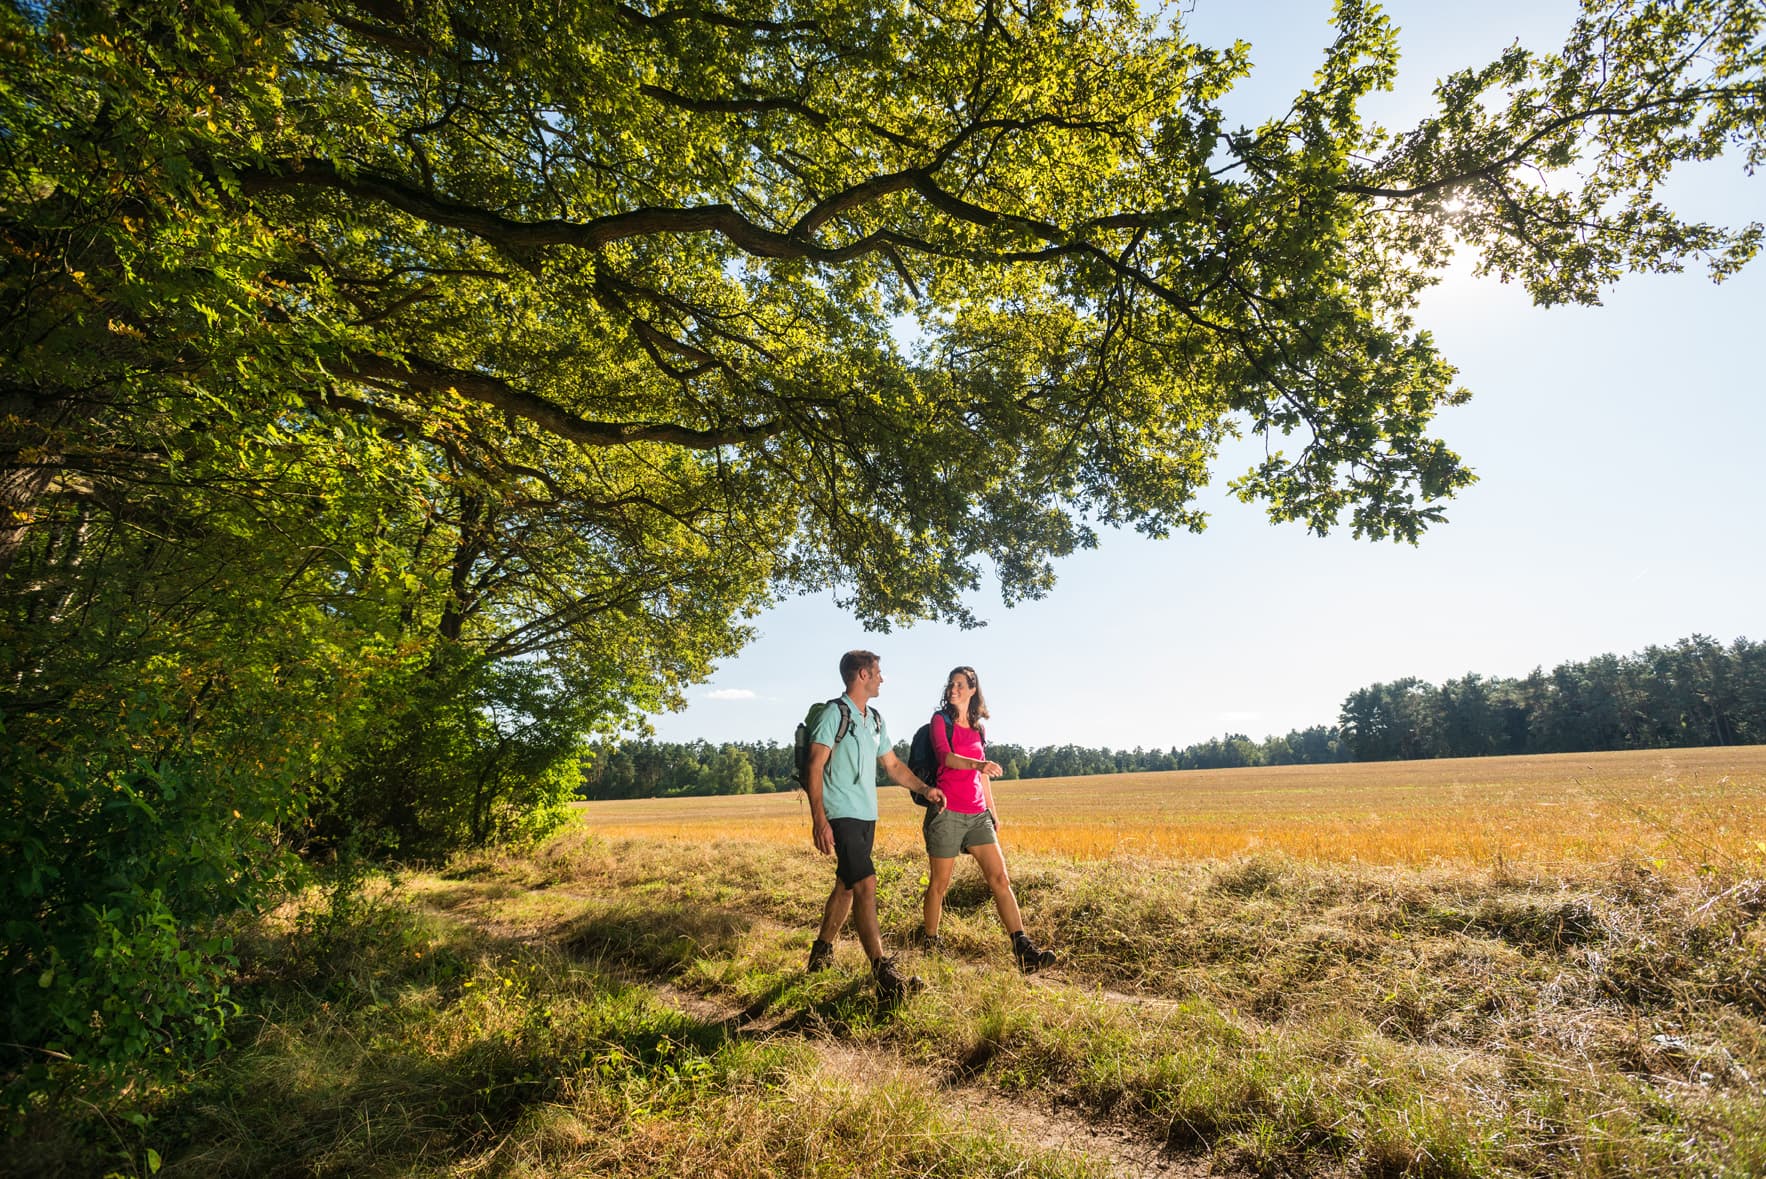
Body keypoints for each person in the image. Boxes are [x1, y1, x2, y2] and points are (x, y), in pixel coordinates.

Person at [804, 649, 946, 1000]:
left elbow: (893, 765)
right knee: (865, 883)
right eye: (878, 672)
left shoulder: (875, 719)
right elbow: (814, 767)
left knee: (847, 885)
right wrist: (819, 819)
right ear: (862, 675)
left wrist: (925, 789)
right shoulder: (833, 714)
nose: (882, 678)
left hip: (867, 814)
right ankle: (884, 973)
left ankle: (820, 954)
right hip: (841, 814)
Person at [919, 665, 1056, 973]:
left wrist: (992, 811)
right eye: (951, 684)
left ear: (972, 690)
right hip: (947, 812)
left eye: (960, 685)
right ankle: (930, 943)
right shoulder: (940, 721)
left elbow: (982, 778)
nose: (953, 689)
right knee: (939, 884)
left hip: (977, 814)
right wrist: (978, 764)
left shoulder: (979, 729)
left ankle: (1023, 950)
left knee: (1000, 879)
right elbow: (945, 757)